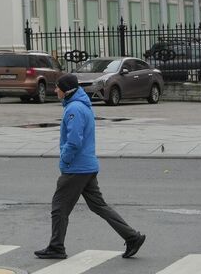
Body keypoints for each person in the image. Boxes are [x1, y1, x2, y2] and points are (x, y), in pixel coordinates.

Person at [36, 72, 144, 260]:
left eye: (57, 87)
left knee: (59, 207)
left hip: (76, 168)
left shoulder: (74, 110)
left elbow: (74, 141)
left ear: (66, 90)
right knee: (99, 206)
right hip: (87, 166)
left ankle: (56, 247)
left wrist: (65, 160)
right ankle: (132, 237)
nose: (55, 90)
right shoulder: (80, 106)